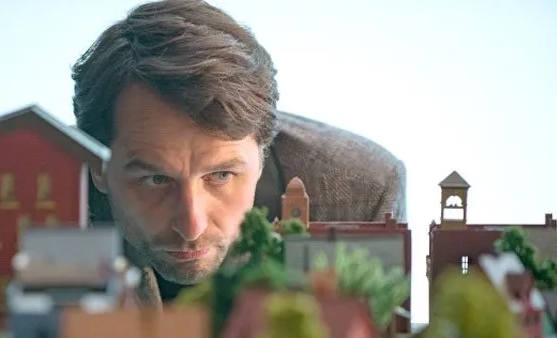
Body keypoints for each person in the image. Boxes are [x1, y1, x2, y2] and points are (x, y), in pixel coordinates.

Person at [73, 0, 406, 306]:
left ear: (262, 151)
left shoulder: (361, 193)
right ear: (97, 167)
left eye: (221, 175)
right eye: (156, 179)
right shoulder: (52, 197)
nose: (192, 227)